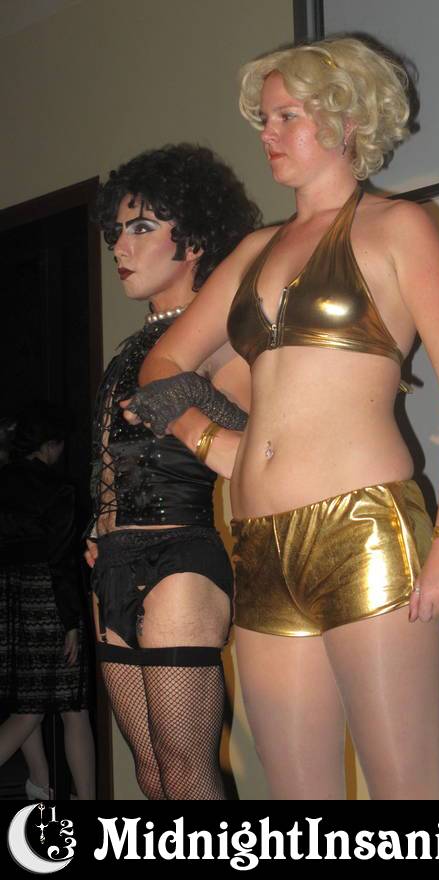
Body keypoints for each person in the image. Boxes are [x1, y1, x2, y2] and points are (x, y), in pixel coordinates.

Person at [126, 39, 439, 799]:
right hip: (259, 544)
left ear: (346, 119)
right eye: (263, 119)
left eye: (285, 116)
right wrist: (211, 441)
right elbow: (162, 365)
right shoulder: (254, 250)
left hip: (363, 532)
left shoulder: (399, 227)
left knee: (410, 797)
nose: (267, 133)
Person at [88, 144, 259, 800]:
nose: (119, 247)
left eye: (140, 228)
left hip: (179, 559)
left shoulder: (214, 339)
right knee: (153, 775)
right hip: (113, 563)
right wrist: (98, 525)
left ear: (194, 240)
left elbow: (261, 448)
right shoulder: (137, 345)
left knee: (187, 773)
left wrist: (193, 403)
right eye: (115, 231)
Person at [0, 402, 95, 800]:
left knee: (28, 702)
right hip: (46, 598)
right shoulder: (58, 489)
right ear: (50, 444)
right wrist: (71, 622)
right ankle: (85, 800)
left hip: (9, 599)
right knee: (69, 708)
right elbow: (61, 560)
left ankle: (40, 784)